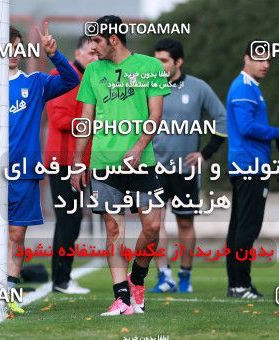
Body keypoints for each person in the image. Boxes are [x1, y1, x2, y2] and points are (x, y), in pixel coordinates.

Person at [0, 24, 79, 313]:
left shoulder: (36, 82)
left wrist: (54, 54)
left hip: (25, 173)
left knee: (16, 236)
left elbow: (71, 79)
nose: (13, 53)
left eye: (18, 48)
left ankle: (9, 291)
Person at [71, 15, 170, 316]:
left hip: (142, 162)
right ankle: (122, 298)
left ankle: (137, 278)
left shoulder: (150, 68)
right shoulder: (92, 72)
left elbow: (155, 116)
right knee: (113, 228)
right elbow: (85, 121)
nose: (93, 48)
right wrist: (78, 162)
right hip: (103, 161)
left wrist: (139, 147)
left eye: (97, 41)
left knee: (152, 226)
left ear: (114, 39)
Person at [151, 38, 227, 293]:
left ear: (178, 62)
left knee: (185, 223)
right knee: (154, 223)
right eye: (156, 60)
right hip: (155, 169)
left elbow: (221, 119)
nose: (159, 65)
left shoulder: (198, 88)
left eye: (164, 61)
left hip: (186, 171)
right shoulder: (148, 87)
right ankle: (164, 277)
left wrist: (205, 154)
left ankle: (185, 277)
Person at [225, 40, 279, 299]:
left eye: (268, 60)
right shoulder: (244, 87)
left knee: (239, 227)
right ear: (246, 59)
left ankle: (237, 283)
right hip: (250, 166)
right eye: (260, 59)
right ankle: (240, 284)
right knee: (247, 228)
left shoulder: (251, 87)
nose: (265, 64)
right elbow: (245, 127)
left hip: (247, 164)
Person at [44, 35, 97, 294]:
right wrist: (95, 122)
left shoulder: (93, 78)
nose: (95, 56)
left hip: (80, 163)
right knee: (68, 220)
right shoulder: (61, 75)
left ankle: (63, 278)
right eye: (91, 52)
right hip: (62, 161)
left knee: (73, 220)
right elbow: (59, 118)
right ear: (78, 52)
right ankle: (61, 280)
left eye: (98, 52)